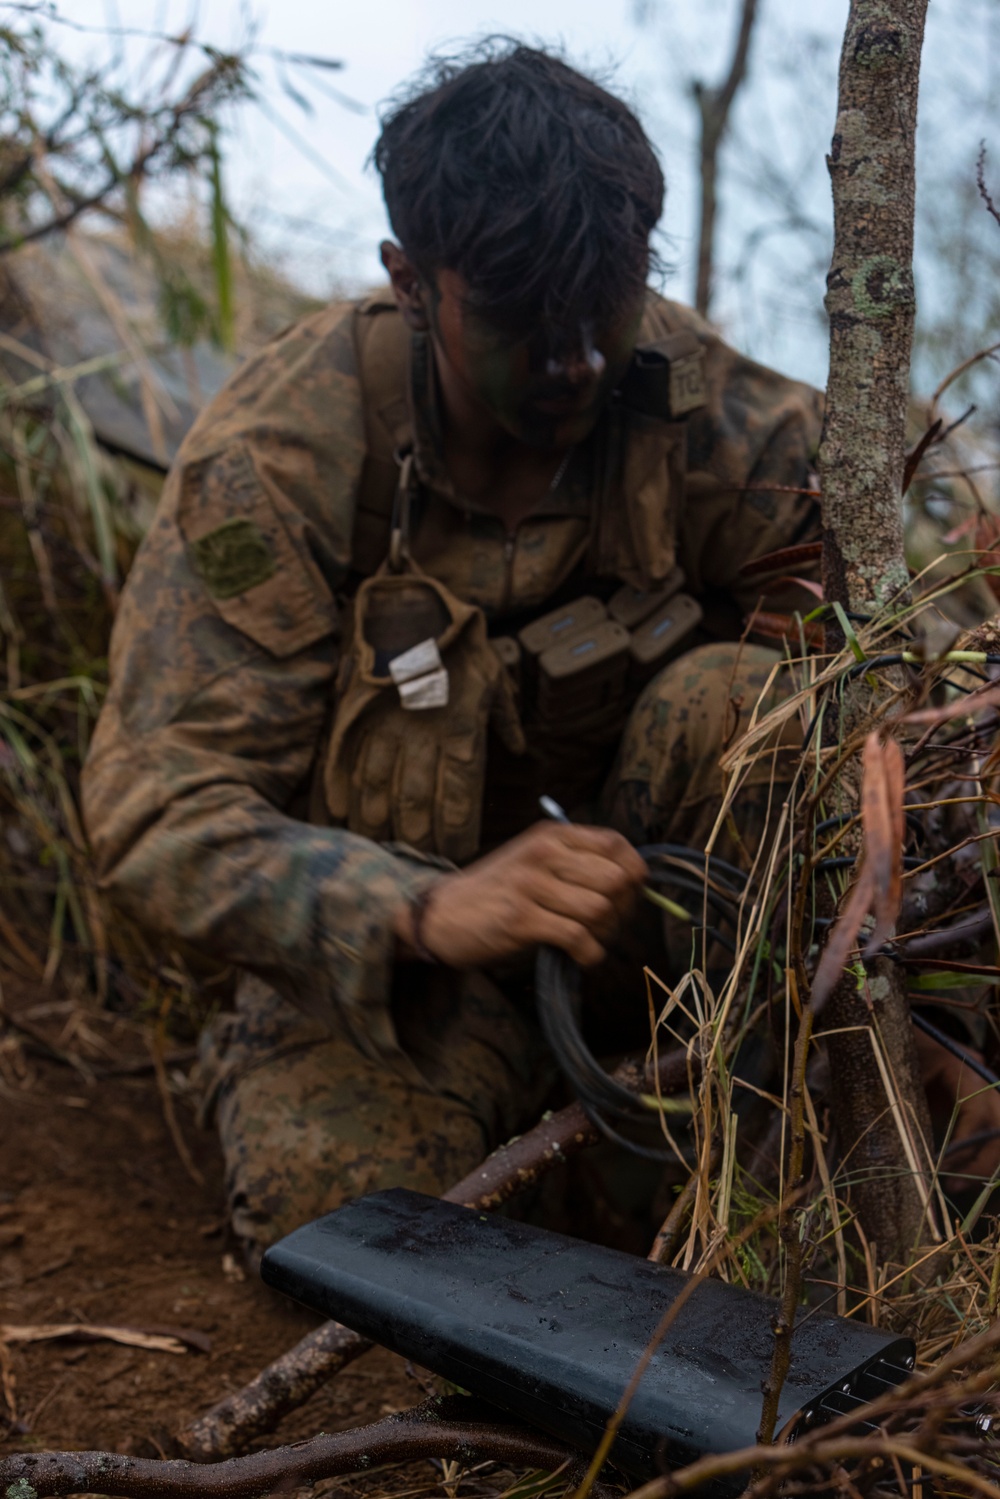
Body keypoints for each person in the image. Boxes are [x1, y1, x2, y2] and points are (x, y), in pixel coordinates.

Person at [80, 42, 908, 1259]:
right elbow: (157, 805)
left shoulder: (710, 415)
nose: (575, 358)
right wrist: (419, 906)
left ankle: (709, 1115)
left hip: (661, 958)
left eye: (603, 307)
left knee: (750, 695)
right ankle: (553, 1146)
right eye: (525, 316)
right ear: (411, 281)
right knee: (345, 1223)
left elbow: (896, 643)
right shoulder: (284, 456)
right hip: (412, 976)